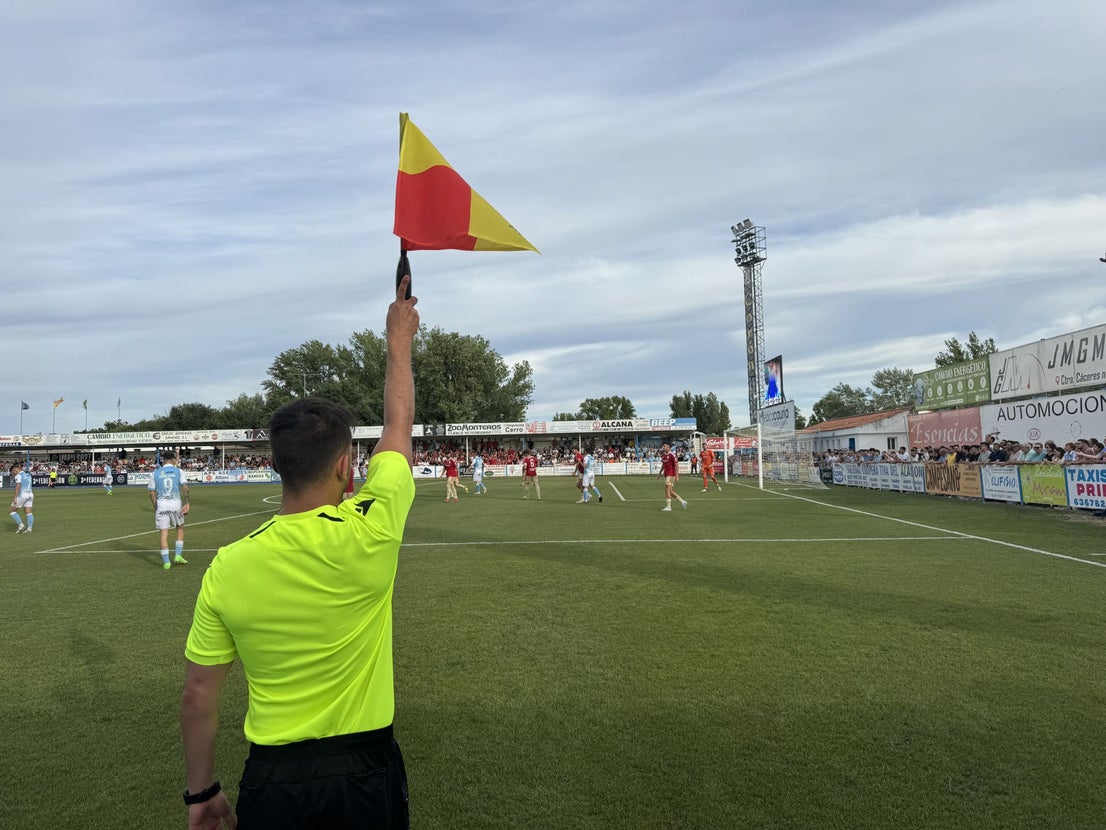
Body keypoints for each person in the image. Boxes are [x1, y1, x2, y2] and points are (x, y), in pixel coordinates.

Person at [179, 275, 419, 829]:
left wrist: (202, 793)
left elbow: (198, 693)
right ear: (345, 466)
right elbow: (398, 427)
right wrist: (398, 341)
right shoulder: (371, 530)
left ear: (277, 466)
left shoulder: (228, 565)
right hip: (365, 771)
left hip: (274, 779)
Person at [149, 449, 189, 570]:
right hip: (175, 504)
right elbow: (185, 487)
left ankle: (166, 563)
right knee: (180, 528)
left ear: (163, 460)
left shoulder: (156, 473)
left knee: (163, 534)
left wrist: (155, 506)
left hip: (162, 504)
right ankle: (178, 555)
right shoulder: (179, 471)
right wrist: (187, 503)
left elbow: (151, 492)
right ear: (173, 460)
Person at [657, 442, 687, 511]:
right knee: (670, 491)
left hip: (671, 474)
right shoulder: (663, 455)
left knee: (667, 489)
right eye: (663, 446)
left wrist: (677, 476)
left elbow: (676, 466)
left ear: (668, 447)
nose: (663, 447)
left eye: (664, 446)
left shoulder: (672, 455)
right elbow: (663, 465)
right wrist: (659, 473)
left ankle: (669, 507)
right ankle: (683, 501)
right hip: (666, 474)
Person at [9, 461, 34, 533]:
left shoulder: (18, 476)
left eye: (13, 473)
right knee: (28, 512)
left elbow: (18, 486)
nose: (13, 474)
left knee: (12, 511)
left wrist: (15, 497)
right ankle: (29, 529)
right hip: (30, 495)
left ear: (15, 470)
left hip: (22, 495)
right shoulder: (28, 475)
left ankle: (21, 525)